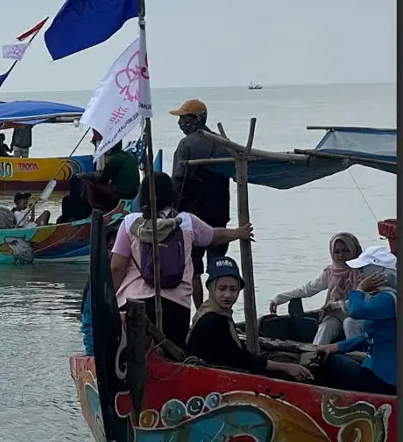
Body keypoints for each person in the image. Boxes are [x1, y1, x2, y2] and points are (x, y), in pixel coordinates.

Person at [111, 172, 253, 348]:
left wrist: (108, 301)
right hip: (176, 307)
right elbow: (214, 237)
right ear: (172, 195)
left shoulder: (129, 223)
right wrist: (238, 233)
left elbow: (117, 268)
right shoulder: (185, 221)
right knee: (172, 357)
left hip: (133, 304)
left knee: (127, 355)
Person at [187, 256, 314, 382]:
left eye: (233, 289)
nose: (228, 295)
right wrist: (286, 367)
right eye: (222, 288)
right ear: (211, 288)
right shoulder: (213, 320)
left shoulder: (212, 312)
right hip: (213, 380)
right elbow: (243, 361)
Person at [170, 99, 233, 309]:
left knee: (194, 270)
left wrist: (173, 212)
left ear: (197, 119)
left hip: (193, 217)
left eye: (184, 118)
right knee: (217, 266)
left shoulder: (186, 145)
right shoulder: (223, 142)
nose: (180, 123)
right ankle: (218, 309)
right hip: (219, 216)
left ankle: (201, 311)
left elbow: (177, 181)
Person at [314, 246, 396, 396]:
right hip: (380, 372)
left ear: (378, 272)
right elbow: (369, 338)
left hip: (383, 378)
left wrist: (359, 289)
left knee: (331, 363)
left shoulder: (387, 299)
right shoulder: (386, 296)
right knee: (333, 355)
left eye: (363, 270)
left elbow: (355, 311)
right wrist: (335, 346)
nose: (360, 273)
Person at [269, 232, 365, 344]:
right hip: (337, 315)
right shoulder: (330, 272)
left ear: (354, 250)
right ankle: (314, 356)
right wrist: (279, 298)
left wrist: (335, 305)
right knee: (326, 325)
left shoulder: (363, 272)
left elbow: (364, 301)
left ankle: (358, 356)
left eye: (345, 251)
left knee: (349, 323)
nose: (340, 255)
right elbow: (307, 289)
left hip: (359, 317)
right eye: (336, 251)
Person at [78, 131, 140, 212]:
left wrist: (87, 175)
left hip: (121, 194)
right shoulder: (130, 156)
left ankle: (95, 209)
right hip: (134, 193)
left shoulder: (115, 159)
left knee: (89, 182)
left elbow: (102, 179)